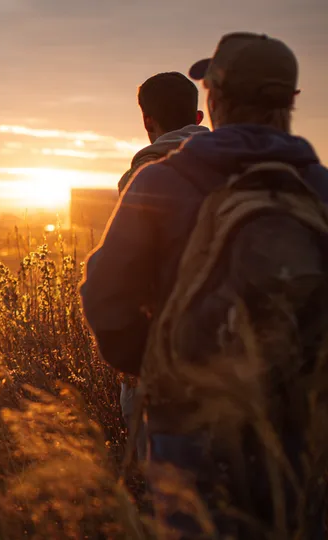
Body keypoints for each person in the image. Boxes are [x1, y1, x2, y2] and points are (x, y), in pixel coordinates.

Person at [80, 33, 328, 538]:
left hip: (191, 426)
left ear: (214, 97)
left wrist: (159, 363)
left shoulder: (161, 181)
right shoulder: (319, 189)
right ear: (291, 102)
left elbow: (104, 296)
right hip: (305, 428)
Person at [117, 71, 210, 463]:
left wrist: (128, 358)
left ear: (147, 122)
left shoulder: (140, 177)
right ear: (200, 117)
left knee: (164, 484)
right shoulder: (244, 169)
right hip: (242, 357)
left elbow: (122, 278)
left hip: (163, 357)